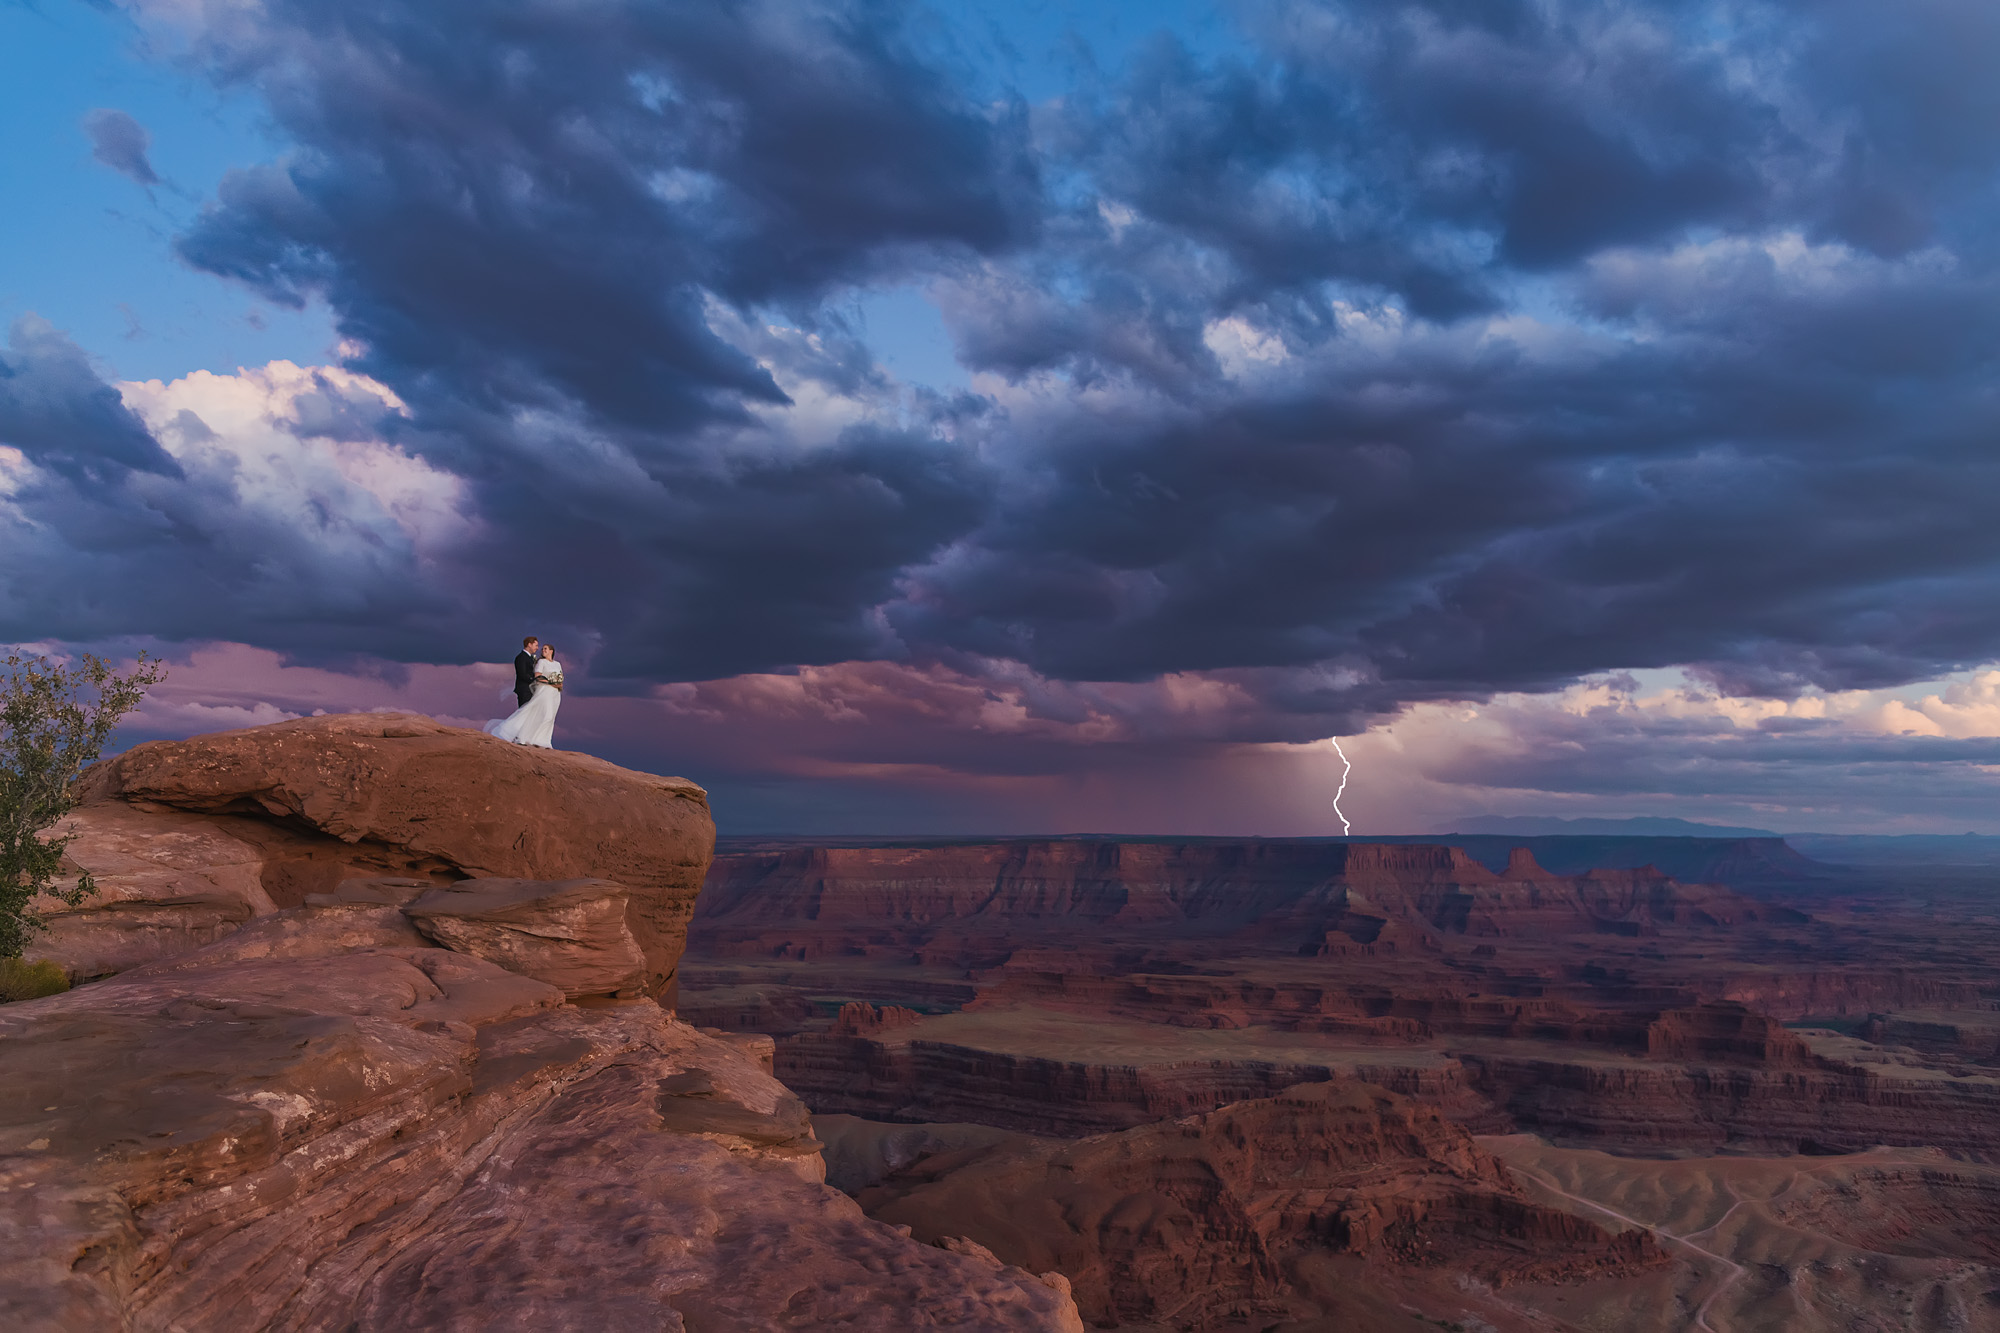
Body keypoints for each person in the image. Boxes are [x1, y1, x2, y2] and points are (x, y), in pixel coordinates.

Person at [486, 642, 563, 747]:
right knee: (544, 714)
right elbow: (538, 676)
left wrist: (557, 684)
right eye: (542, 649)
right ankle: (521, 735)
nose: (543, 650)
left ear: (551, 651)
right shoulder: (541, 662)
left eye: (545, 649)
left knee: (550, 717)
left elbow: (560, 677)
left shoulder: (557, 664)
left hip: (555, 693)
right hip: (544, 691)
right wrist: (551, 682)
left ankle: (544, 740)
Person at [512, 635, 540, 709]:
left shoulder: (530, 657)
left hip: (530, 689)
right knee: (524, 712)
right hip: (525, 689)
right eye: (536, 645)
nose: (537, 648)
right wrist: (535, 680)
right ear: (529, 644)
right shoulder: (521, 657)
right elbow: (522, 674)